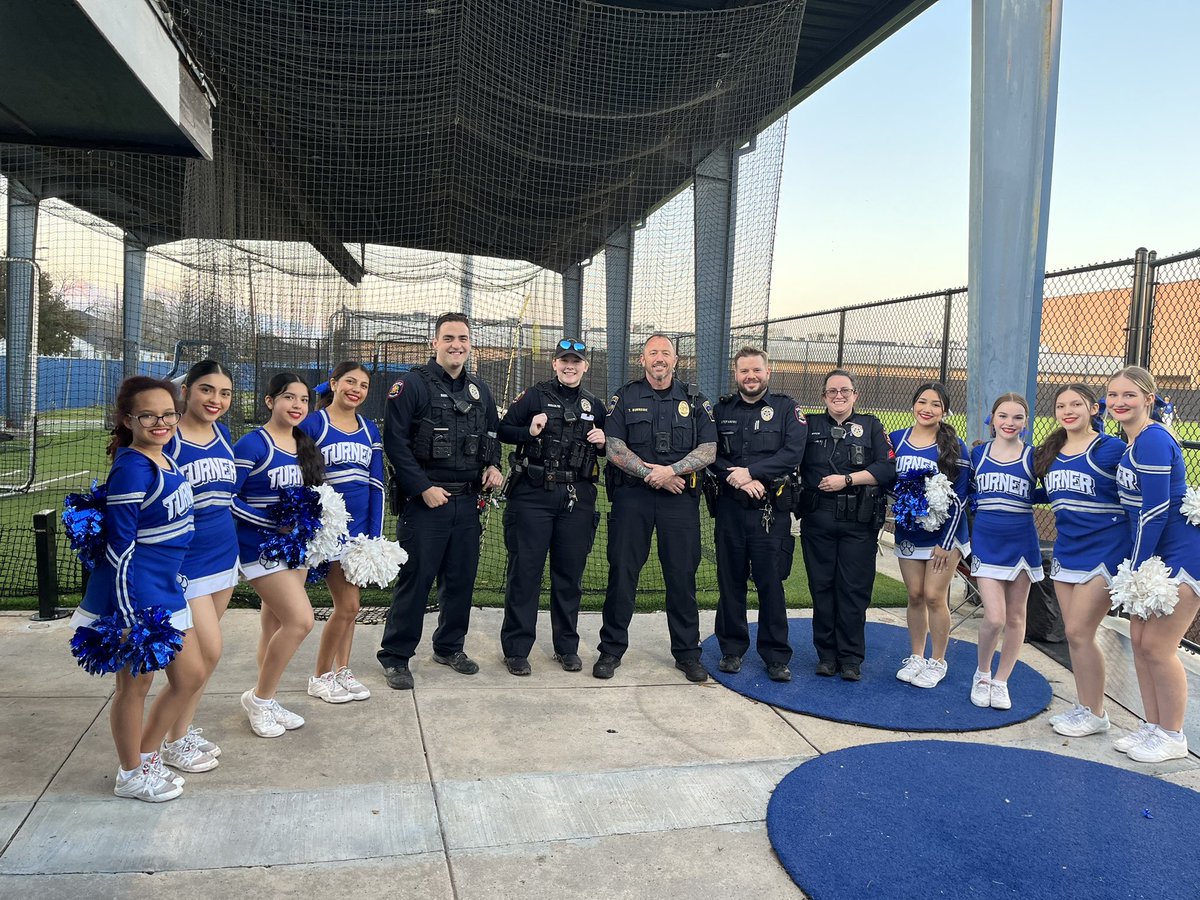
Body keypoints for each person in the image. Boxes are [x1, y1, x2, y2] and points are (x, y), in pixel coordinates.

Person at [71, 376, 204, 801]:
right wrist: (130, 615)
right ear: (128, 419)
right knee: (135, 686)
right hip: (139, 594)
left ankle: (147, 754)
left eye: (169, 414)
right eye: (149, 415)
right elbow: (120, 547)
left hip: (167, 586)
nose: (161, 422)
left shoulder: (165, 457)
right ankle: (131, 773)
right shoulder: (132, 466)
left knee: (191, 676)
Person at [378, 312, 503, 690]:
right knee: (416, 581)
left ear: (470, 344)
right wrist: (421, 487)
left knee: (461, 581)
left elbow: (492, 434)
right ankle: (396, 657)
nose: (456, 345)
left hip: (467, 503)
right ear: (434, 343)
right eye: (448, 338)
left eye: (463, 338)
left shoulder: (480, 390)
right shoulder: (411, 386)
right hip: (426, 502)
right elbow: (395, 443)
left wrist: (494, 466)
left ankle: (449, 647)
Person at [595, 333, 717, 683]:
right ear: (642, 359)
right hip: (633, 498)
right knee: (622, 574)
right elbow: (614, 448)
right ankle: (611, 650)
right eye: (653, 353)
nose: (659, 358)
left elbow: (709, 449)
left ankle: (687, 654)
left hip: (679, 499)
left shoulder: (695, 401)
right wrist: (654, 474)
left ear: (676, 360)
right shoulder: (626, 396)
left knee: (682, 577)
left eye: (666, 353)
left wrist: (672, 472)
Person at [497, 338, 606, 675]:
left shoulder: (595, 405)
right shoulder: (534, 396)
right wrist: (529, 430)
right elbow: (502, 430)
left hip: (576, 496)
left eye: (576, 361)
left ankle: (566, 647)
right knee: (525, 573)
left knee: (569, 576)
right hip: (533, 494)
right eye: (563, 361)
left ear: (585, 366)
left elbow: (610, 447)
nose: (569, 366)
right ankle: (516, 650)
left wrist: (603, 442)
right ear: (554, 364)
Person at [1108, 366, 1199, 762]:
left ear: (1149, 398)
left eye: (1129, 395)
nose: (1119, 402)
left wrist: (1136, 567)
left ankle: (1173, 735)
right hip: (1153, 554)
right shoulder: (1131, 442)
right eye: (1113, 395)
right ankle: (1153, 726)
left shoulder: (1154, 439)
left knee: (1160, 647)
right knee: (1141, 645)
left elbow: (1157, 510)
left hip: (1179, 554)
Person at [1033, 383, 1129, 738]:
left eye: (1077, 404)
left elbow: (1135, 494)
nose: (1068, 410)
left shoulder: (1111, 448)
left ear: (1094, 409)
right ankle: (1085, 706)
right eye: (1061, 405)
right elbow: (1044, 490)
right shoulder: (1053, 449)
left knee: (1078, 631)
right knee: (1074, 637)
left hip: (1106, 549)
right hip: (1068, 548)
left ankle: (1096, 711)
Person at [233, 373, 325, 737]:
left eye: (303, 399)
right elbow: (229, 498)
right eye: (289, 397)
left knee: (274, 623)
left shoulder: (304, 444)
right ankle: (259, 698)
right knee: (300, 621)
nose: (297, 405)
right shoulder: (252, 445)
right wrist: (272, 524)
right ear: (270, 401)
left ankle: (266, 700)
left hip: (295, 547)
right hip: (259, 548)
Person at [157, 360, 238, 772]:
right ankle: (165, 742)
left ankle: (180, 734)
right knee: (206, 655)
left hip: (224, 556)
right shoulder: (168, 438)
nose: (216, 400)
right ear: (186, 390)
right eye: (207, 390)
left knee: (205, 659)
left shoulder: (223, 434)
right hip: (185, 564)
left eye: (224, 393)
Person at [710, 347, 806, 682]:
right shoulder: (721, 410)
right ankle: (731, 650)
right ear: (735, 374)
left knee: (770, 584)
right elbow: (711, 453)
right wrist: (736, 479)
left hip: (771, 510)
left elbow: (794, 453)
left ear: (768, 372)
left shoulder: (786, 409)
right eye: (744, 371)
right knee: (730, 582)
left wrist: (751, 472)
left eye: (756, 370)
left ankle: (776, 656)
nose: (750, 376)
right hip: (730, 509)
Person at [797, 369, 894, 680]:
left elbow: (887, 466)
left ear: (856, 395)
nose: (838, 396)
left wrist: (848, 479)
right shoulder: (809, 425)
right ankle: (826, 655)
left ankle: (851, 658)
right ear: (823, 396)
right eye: (832, 391)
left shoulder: (871, 425)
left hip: (857, 522)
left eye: (845, 391)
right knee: (822, 587)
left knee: (853, 591)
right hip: (818, 519)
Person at [301, 362, 383, 702]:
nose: (357, 389)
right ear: (333, 383)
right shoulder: (314, 423)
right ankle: (320, 675)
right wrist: (309, 523)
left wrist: (373, 537)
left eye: (363, 385)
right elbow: (299, 478)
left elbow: (376, 484)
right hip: (323, 530)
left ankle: (341, 670)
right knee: (345, 606)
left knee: (351, 605)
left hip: (358, 532)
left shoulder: (369, 430)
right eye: (350, 381)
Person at [890, 382, 971, 689]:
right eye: (922, 401)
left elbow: (961, 497)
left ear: (945, 411)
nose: (927, 408)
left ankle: (938, 660)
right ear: (913, 405)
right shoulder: (896, 440)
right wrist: (906, 498)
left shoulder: (954, 445)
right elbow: (888, 481)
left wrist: (946, 543)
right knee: (914, 595)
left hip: (944, 536)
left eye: (935, 404)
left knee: (935, 596)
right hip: (910, 531)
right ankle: (916, 656)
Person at [967, 393, 1044, 711]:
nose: (1009, 423)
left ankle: (1001, 681)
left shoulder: (1034, 456)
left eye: (1017, 417)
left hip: (1022, 544)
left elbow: (1047, 491)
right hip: (987, 543)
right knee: (994, 617)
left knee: (1015, 618)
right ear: (992, 418)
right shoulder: (977, 454)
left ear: (1026, 422)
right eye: (1003, 416)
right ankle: (982, 674)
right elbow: (963, 491)